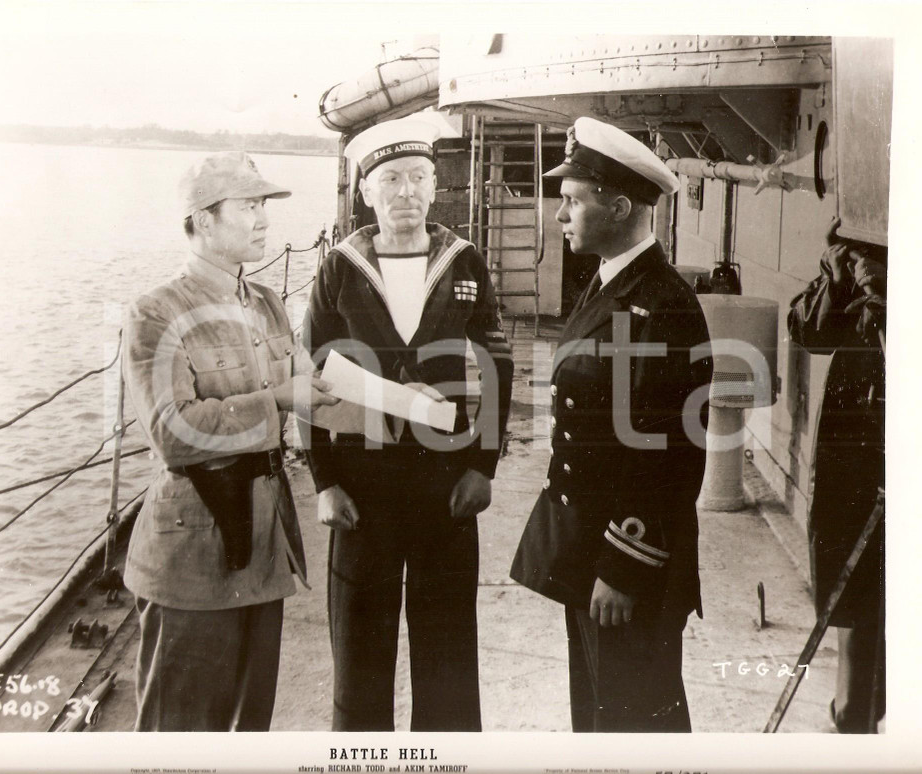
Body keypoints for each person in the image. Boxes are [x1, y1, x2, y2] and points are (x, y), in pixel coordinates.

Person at [299, 117, 514, 731]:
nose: (406, 192)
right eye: (390, 179)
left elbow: (497, 363)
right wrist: (323, 481)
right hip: (362, 485)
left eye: (419, 177)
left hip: (445, 480)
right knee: (359, 656)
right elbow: (311, 373)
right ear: (365, 192)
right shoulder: (340, 266)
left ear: (436, 184)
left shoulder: (463, 258)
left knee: (447, 653)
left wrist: (483, 464)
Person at [121, 150, 339, 731]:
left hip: (263, 546)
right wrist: (279, 401)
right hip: (192, 556)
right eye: (249, 206)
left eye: (264, 204)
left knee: (249, 733)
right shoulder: (156, 313)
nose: (264, 218)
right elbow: (172, 432)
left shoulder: (266, 303)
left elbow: (303, 382)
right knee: (179, 735)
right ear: (203, 221)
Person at [510, 117, 712, 732]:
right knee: (601, 724)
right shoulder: (610, 285)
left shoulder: (665, 307)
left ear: (620, 206)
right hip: (589, 550)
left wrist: (624, 568)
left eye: (572, 201)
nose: (559, 216)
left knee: (635, 729)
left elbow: (671, 456)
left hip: (626, 568)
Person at [788, 217, 886, 733]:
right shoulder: (854, 259)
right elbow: (808, 330)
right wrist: (838, 275)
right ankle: (853, 714)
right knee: (860, 586)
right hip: (859, 453)